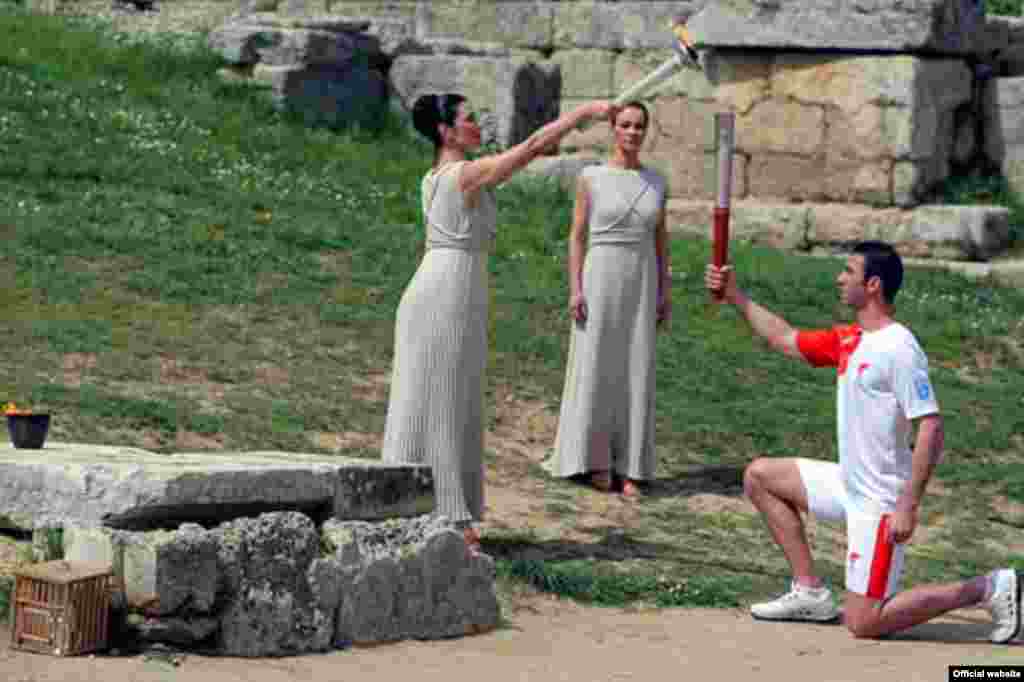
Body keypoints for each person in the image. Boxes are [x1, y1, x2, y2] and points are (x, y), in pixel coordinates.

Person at [704, 241, 1020, 642]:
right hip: (849, 485)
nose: (839, 278)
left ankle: (991, 587)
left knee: (864, 623)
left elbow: (931, 428)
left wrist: (907, 504)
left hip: (881, 502)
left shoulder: (900, 348)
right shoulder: (851, 340)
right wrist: (735, 296)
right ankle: (810, 593)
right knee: (760, 476)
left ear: (872, 285)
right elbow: (785, 338)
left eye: (848, 271)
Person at [382, 93, 615, 553]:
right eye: (468, 118)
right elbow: (530, 147)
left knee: (455, 397)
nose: (477, 124)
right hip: (442, 293)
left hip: (455, 289)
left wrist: (573, 126)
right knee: (440, 398)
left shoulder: (452, 177)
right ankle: (445, 513)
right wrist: (581, 113)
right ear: (446, 131)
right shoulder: (463, 175)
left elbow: (524, 154)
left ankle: (424, 504)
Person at [543, 102, 670, 498]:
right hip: (600, 275)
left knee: (636, 366)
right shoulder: (591, 177)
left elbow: (661, 241)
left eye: (639, 127)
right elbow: (577, 236)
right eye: (626, 125)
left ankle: (630, 465)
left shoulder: (656, 182)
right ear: (613, 129)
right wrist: (575, 288)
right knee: (597, 360)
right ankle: (595, 459)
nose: (633, 133)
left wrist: (665, 291)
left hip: (642, 278)